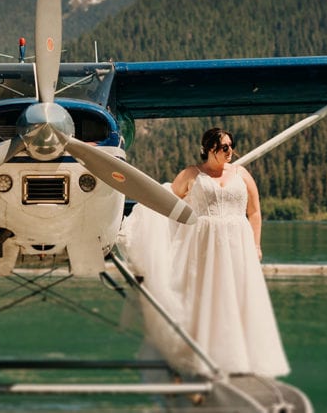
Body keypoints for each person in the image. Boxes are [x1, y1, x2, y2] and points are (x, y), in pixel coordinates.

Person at [119, 127, 289, 378]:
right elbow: (169, 203)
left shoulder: (242, 174)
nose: (230, 151)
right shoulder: (191, 174)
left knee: (239, 299)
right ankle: (195, 359)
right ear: (209, 149)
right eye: (224, 147)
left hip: (237, 246)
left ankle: (242, 362)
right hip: (202, 246)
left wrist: (256, 244)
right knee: (201, 300)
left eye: (231, 145)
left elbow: (254, 211)